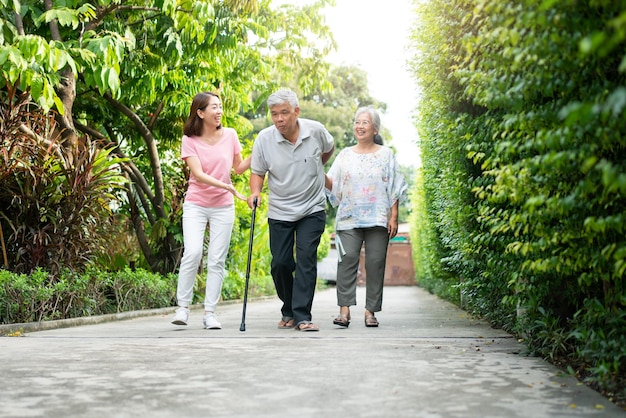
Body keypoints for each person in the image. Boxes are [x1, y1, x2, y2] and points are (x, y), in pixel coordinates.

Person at [248, 89, 334, 332]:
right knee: (281, 263)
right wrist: (255, 193)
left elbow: (329, 148)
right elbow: (258, 172)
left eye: (284, 113)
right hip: (280, 210)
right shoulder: (264, 139)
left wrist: (317, 166)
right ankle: (289, 307)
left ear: (296, 111)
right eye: (274, 114)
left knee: (306, 258)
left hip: (312, 207)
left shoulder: (315, 131)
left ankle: (302, 316)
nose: (279, 119)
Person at [172, 91, 250, 329]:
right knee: (193, 252)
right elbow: (198, 175)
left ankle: (210, 314)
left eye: (220, 106)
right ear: (200, 112)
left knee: (217, 260)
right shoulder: (190, 139)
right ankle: (182, 308)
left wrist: (260, 151)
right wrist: (226, 185)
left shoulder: (230, 135)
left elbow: (238, 167)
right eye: (214, 107)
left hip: (222, 207)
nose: (219, 111)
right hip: (196, 203)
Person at [325, 106, 408, 328]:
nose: (359, 126)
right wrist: (318, 172)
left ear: (375, 129)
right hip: (349, 218)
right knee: (347, 261)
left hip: (378, 218)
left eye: (364, 122)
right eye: (357, 122)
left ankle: (370, 311)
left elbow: (395, 186)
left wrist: (394, 215)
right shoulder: (344, 155)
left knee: (375, 263)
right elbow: (334, 184)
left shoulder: (386, 154)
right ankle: (344, 311)